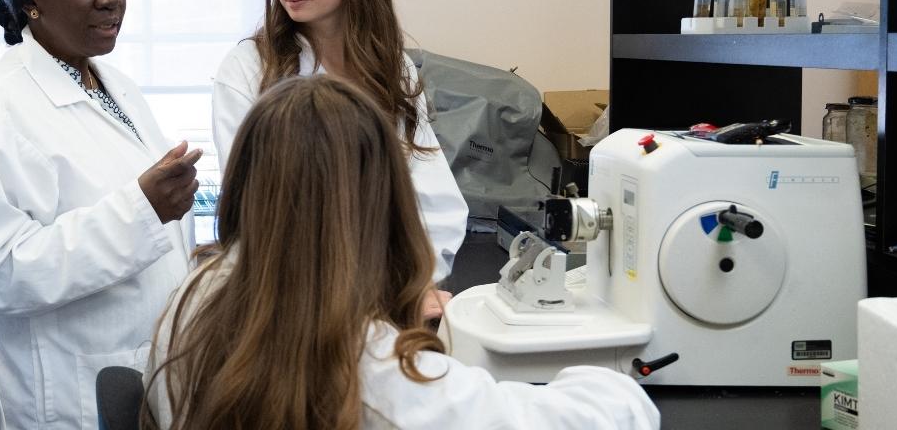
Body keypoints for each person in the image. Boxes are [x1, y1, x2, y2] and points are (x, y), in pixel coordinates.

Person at [147, 75, 660, 429]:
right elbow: (603, 416)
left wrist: (385, 313)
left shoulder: (195, 296)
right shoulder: (378, 372)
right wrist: (605, 372)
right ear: (380, 200)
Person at [0, 0, 201, 429]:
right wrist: (141, 212)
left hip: (147, 373)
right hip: (71, 394)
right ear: (30, 0)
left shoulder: (117, 86)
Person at [211, 0, 468, 289]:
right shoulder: (248, 70)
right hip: (289, 291)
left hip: (388, 288)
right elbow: (252, 210)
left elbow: (434, 201)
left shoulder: (391, 66)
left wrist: (417, 285)